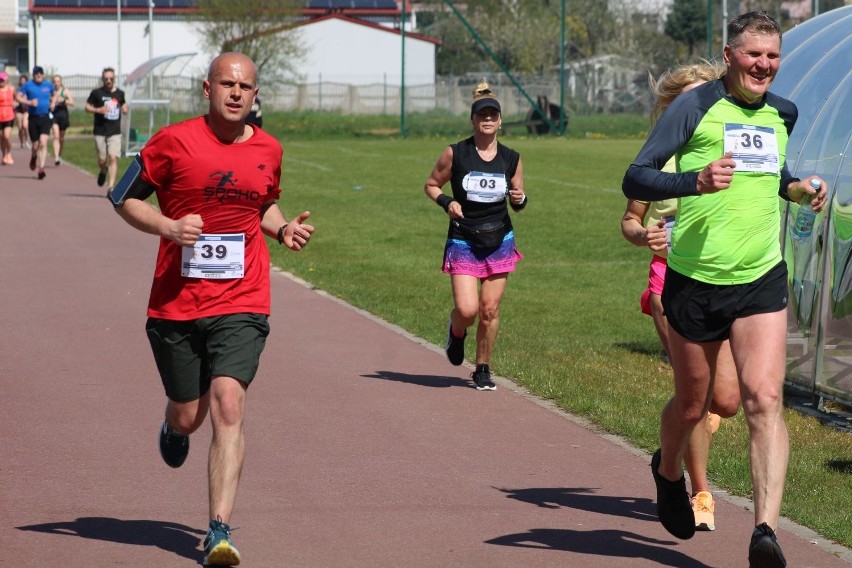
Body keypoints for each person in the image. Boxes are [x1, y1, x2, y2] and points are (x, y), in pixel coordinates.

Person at [622, 11, 828, 567]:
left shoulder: (783, 111)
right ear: (730, 53)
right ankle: (667, 474)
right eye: (753, 54)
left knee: (763, 400)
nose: (764, 65)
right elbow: (636, 176)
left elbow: (775, 171)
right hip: (694, 279)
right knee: (694, 404)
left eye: (773, 56)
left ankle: (765, 532)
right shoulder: (694, 106)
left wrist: (800, 188)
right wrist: (695, 180)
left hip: (761, 275)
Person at [111, 52, 313, 567]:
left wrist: (282, 227)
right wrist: (169, 227)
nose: (237, 93)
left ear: (255, 93)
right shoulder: (173, 142)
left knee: (228, 403)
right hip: (176, 302)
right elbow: (122, 197)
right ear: (207, 89)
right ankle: (173, 426)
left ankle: (218, 530)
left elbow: (261, 203)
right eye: (227, 84)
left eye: (246, 86)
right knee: (189, 414)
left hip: (242, 297)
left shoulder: (270, 147)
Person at [621, 62, 741, 533]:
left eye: (704, 95)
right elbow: (630, 219)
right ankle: (700, 492)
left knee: (726, 400)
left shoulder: (728, 148)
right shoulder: (661, 157)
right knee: (692, 396)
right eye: (687, 99)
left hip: (723, 279)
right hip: (669, 282)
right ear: (671, 107)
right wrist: (642, 235)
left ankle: (669, 447)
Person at [423, 82, 527, 391]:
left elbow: (518, 200)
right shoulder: (456, 153)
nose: (488, 119)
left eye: (493, 114)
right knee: (467, 310)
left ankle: (482, 368)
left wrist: (520, 199)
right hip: (464, 239)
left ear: (500, 120)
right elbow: (431, 185)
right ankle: (456, 333)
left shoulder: (512, 158)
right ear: (473, 119)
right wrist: (447, 202)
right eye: (482, 114)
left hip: (499, 239)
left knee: (489, 310)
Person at [86, 67, 127, 191]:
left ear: (114, 79)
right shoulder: (96, 93)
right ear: (103, 79)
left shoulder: (120, 93)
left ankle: (110, 186)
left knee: (113, 157)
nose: (109, 81)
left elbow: (123, 103)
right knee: (102, 159)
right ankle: (103, 170)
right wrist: (98, 110)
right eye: (106, 79)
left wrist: (125, 108)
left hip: (114, 131)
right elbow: (87, 107)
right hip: (100, 131)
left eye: (111, 78)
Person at [16, 66, 55, 180]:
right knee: (35, 145)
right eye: (36, 73)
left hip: (45, 117)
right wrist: (28, 102)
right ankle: (33, 157)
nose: (39, 75)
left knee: (43, 142)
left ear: (43, 75)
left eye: (40, 73)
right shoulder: (28, 85)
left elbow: (55, 95)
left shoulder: (48, 85)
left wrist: (53, 102)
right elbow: (18, 96)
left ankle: (41, 168)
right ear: (33, 75)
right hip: (33, 118)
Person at [50, 74, 74, 165]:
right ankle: (56, 157)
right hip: (53, 115)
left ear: (61, 82)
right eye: (54, 82)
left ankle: (59, 154)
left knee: (61, 137)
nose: (56, 83)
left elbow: (72, 102)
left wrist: (63, 101)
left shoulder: (65, 91)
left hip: (63, 115)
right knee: (56, 136)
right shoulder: (50, 92)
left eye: (58, 81)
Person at [0, 72, 15, 165]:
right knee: (1, 137)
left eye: (2, 80)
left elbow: (18, 97)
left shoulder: (11, 89)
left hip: (9, 115)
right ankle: (4, 155)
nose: (1, 82)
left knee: (7, 136)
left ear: (6, 80)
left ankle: (9, 153)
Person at [14, 74, 29, 150]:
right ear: (20, 81)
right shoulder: (17, 89)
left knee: (25, 126)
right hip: (19, 109)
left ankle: (26, 141)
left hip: (26, 109)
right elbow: (14, 98)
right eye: (21, 80)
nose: (23, 81)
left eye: (24, 80)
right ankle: (22, 143)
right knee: (20, 127)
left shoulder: (29, 88)